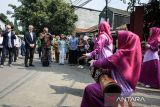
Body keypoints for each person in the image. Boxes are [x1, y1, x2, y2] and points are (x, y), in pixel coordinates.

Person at [81, 31, 142, 107]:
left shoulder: (122, 53)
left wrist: (94, 62)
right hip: (128, 88)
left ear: (126, 41)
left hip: (119, 88)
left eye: (119, 39)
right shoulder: (133, 54)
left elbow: (106, 62)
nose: (116, 40)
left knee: (90, 89)